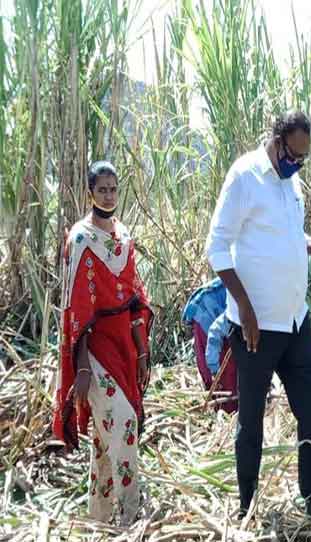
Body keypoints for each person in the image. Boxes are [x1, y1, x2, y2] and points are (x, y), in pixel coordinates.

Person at [205, 110, 311, 521]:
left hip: (295, 321)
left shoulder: (292, 182)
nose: (296, 164)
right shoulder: (245, 177)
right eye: (292, 155)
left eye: (303, 158)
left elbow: (286, 239)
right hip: (255, 329)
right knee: (251, 422)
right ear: (277, 140)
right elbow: (217, 247)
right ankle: (247, 505)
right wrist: (245, 307)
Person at [53, 160, 153, 526]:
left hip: (123, 345)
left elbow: (136, 299)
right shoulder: (80, 240)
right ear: (89, 192)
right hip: (93, 352)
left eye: (113, 189)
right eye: (102, 189)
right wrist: (80, 367)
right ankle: (130, 516)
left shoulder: (123, 238)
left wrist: (142, 351)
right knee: (124, 425)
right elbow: (75, 312)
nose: (108, 195)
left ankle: (98, 518)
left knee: (104, 437)